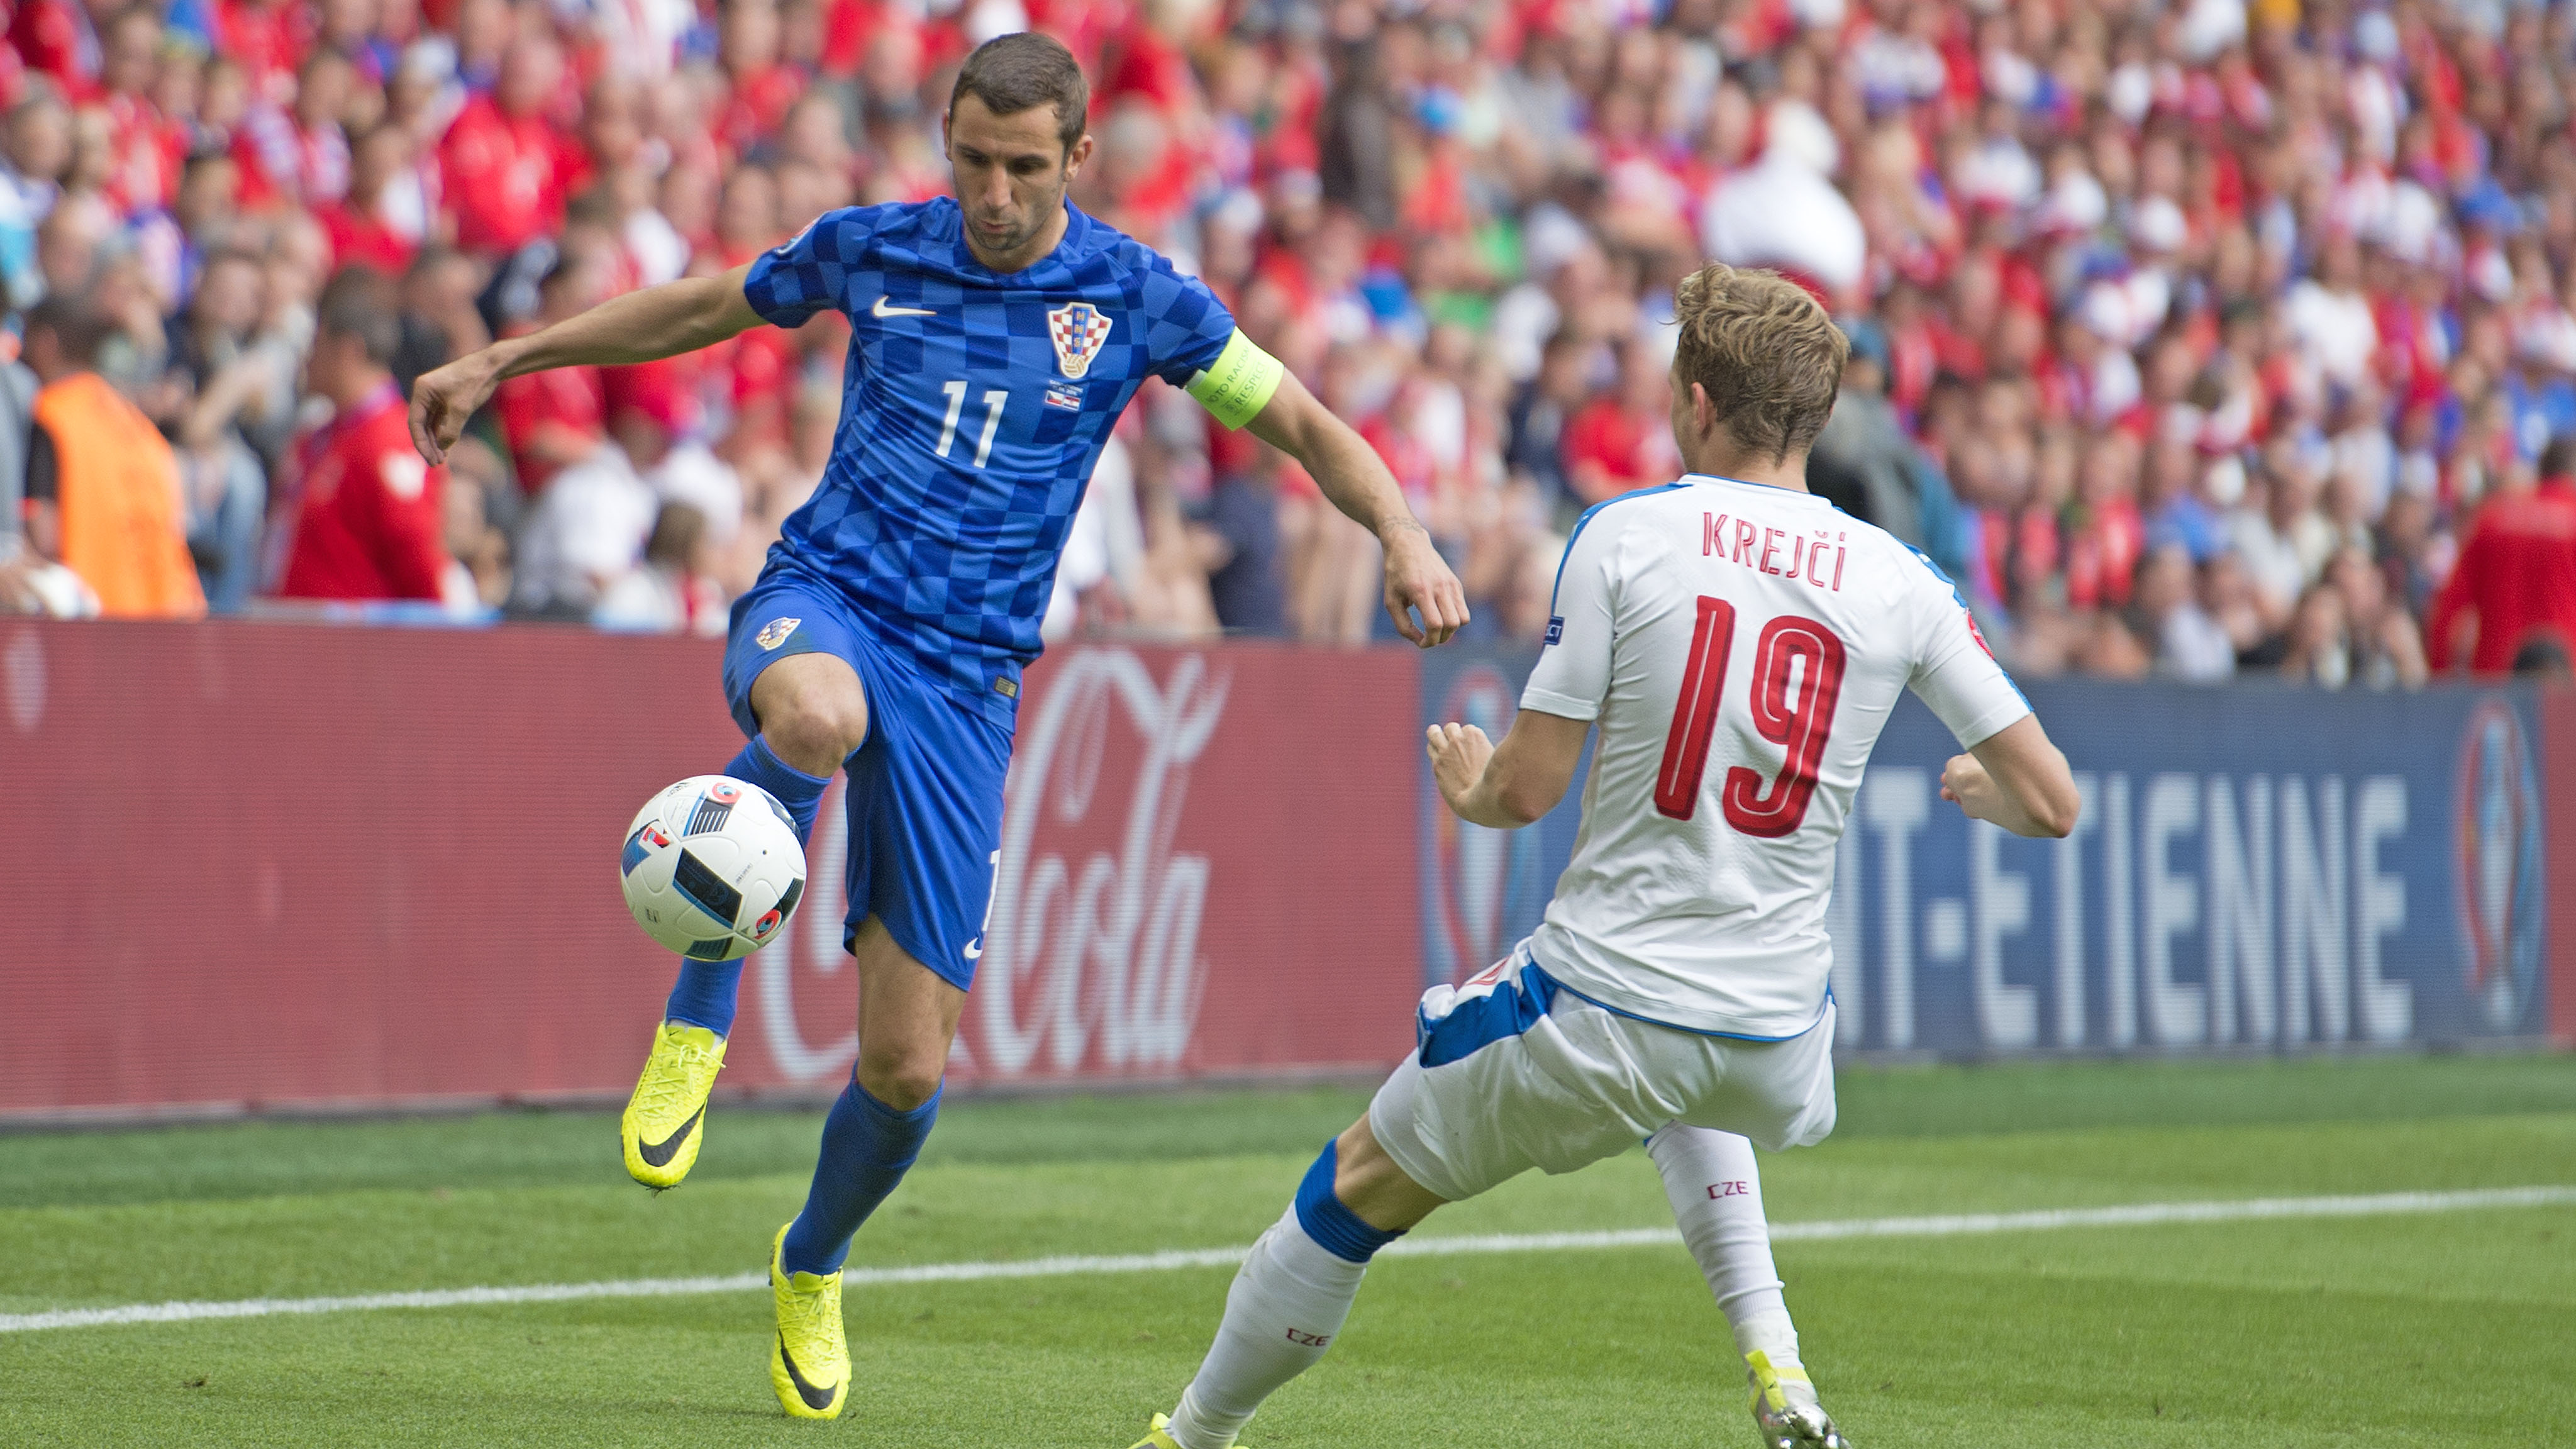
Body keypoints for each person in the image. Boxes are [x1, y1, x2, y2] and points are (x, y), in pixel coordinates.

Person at [406, 31, 1467, 1422]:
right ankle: (698, 1017)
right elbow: (701, 309)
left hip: (968, 681)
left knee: (905, 1071)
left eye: (1023, 166)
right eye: (972, 160)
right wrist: (508, 358)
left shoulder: (1137, 298)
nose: (993, 194)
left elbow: (1310, 426)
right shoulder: (876, 249)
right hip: (831, 598)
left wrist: (1401, 533)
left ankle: (810, 1260)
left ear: (1078, 158)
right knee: (813, 715)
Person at [1124, 265, 2079, 1449]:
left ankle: (1190, 1435)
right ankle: (1783, 1372)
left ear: (1696, 403)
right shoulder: (1903, 577)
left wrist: (1470, 787)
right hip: (1783, 1035)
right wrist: (1984, 792)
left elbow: (1524, 790)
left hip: (1599, 1009)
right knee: (1686, 1075)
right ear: (1819, 416)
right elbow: (2053, 802)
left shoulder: (1628, 534)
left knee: (1353, 1185)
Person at [17, 291, 206, 618]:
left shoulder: (53, 414)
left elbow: (44, 532)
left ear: (46, 343)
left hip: (93, 619)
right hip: (165, 618)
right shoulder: (137, 423)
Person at [274, 267, 452, 604]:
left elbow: (418, 564)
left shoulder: (393, 442)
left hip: (351, 634)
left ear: (347, 350)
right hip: (297, 626)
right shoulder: (321, 438)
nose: (308, 359)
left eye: (316, 344)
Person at [2424, 436, 2576, 675]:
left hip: (2495, 677)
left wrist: (2440, 673)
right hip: (2564, 678)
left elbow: (2449, 606)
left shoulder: (2494, 519)